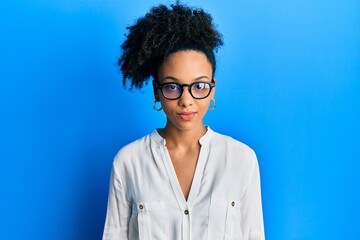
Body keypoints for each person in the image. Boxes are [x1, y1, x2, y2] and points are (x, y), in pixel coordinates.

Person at [103, 2, 265, 239]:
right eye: (172, 87)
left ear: (212, 89)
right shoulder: (128, 162)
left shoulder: (242, 160)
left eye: (199, 86)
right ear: (157, 91)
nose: (186, 100)